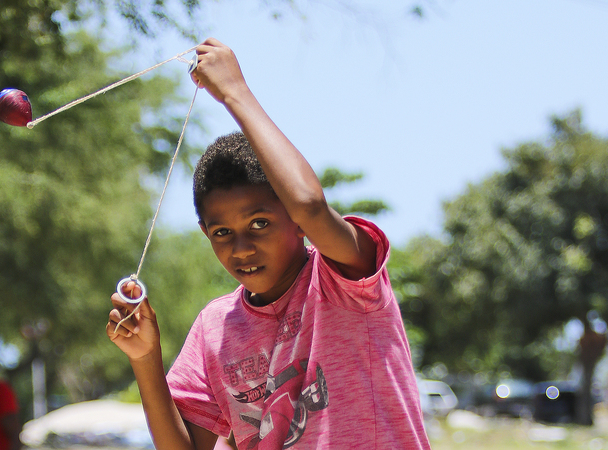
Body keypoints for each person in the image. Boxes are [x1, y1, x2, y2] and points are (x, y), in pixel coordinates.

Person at [107, 37, 431, 449]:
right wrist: (144, 360)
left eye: (259, 223)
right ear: (207, 235)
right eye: (222, 232)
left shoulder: (345, 279)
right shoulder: (214, 328)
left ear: (295, 221)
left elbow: (311, 204)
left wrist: (234, 93)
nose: (241, 247)